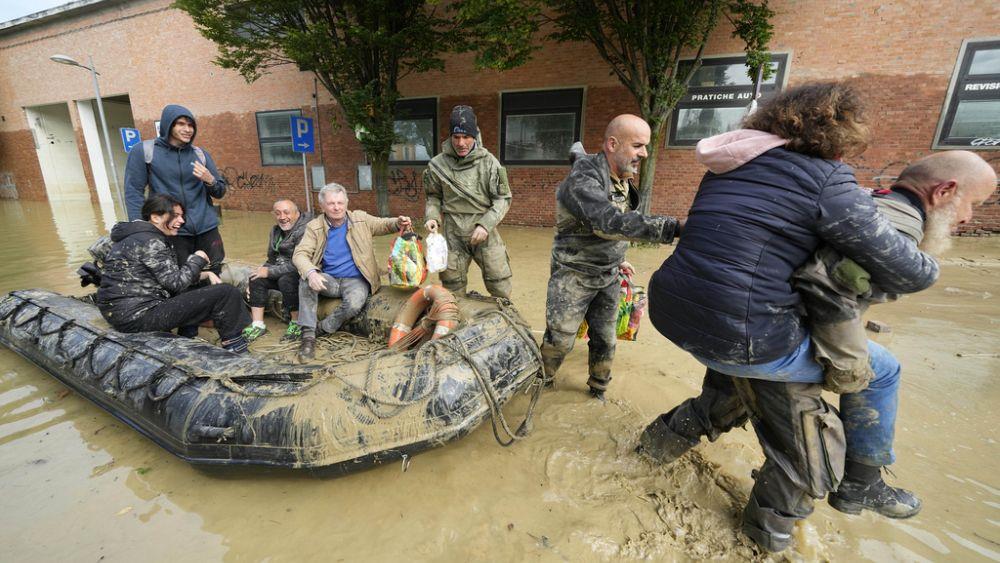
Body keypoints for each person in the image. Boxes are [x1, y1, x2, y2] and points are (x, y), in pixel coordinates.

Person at [635, 82, 978, 553]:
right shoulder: (828, 181)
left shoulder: (730, 167)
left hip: (678, 312)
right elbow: (907, 270)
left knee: (734, 391)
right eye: (973, 205)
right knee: (867, 389)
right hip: (746, 333)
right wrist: (929, 261)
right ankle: (813, 512)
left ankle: (645, 453)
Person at [794, 150, 998, 393]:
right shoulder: (899, 224)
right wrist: (848, 365)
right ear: (944, 191)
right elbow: (822, 285)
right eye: (972, 204)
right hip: (781, 332)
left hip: (766, 320)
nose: (968, 218)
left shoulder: (869, 200)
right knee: (882, 375)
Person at [540, 114, 682, 400]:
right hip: (574, 273)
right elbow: (607, 223)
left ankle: (598, 389)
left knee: (605, 338)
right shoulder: (582, 179)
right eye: (638, 146)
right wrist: (674, 227)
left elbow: (622, 220)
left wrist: (620, 257)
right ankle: (541, 381)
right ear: (612, 144)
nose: (644, 153)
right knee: (560, 339)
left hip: (609, 274)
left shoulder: (622, 177)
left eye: (646, 147)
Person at [96, 194, 251, 353]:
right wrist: (198, 259)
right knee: (226, 292)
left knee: (194, 289)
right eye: (176, 216)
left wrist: (207, 275)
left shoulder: (134, 237)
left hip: (120, 314)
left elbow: (166, 277)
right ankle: (236, 349)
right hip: (138, 317)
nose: (182, 221)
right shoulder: (152, 242)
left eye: (182, 216)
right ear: (156, 217)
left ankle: (187, 337)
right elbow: (176, 284)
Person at [292, 183, 411, 361]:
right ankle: (308, 336)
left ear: (347, 202)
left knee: (355, 303)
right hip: (329, 279)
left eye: (340, 202)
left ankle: (323, 328)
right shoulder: (314, 227)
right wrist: (311, 273)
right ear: (322, 206)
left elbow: (383, 225)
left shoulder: (360, 219)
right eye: (331, 203)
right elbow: (300, 254)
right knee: (304, 281)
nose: (336, 207)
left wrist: (398, 222)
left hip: (356, 279)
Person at [423, 105, 513, 299]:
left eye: (466, 136)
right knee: (452, 288)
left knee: (499, 283)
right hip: (452, 231)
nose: (461, 143)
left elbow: (503, 199)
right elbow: (433, 196)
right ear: (450, 137)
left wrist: (485, 225)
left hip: (484, 231)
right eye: (456, 137)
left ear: (475, 135)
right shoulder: (437, 165)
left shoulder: (489, 163)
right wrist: (432, 217)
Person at [124, 104, 228, 273]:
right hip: (172, 230)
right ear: (168, 125)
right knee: (179, 278)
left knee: (215, 272)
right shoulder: (144, 152)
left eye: (191, 125)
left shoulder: (200, 154)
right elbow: (133, 193)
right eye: (181, 124)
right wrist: (141, 230)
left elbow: (220, 192)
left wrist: (210, 180)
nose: (188, 129)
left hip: (207, 229)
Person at [243, 198, 311, 343]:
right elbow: (271, 259)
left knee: (286, 279)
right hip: (280, 269)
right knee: (256, 277)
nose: (282, 217)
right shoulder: (275, 231)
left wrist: (268, 272)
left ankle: (296, 323)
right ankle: (258, 325)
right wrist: (260, 272)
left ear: (297, 213)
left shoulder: (305, 230)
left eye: (287, 213)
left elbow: (299, 263)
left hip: (300, 273)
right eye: (278, 213)